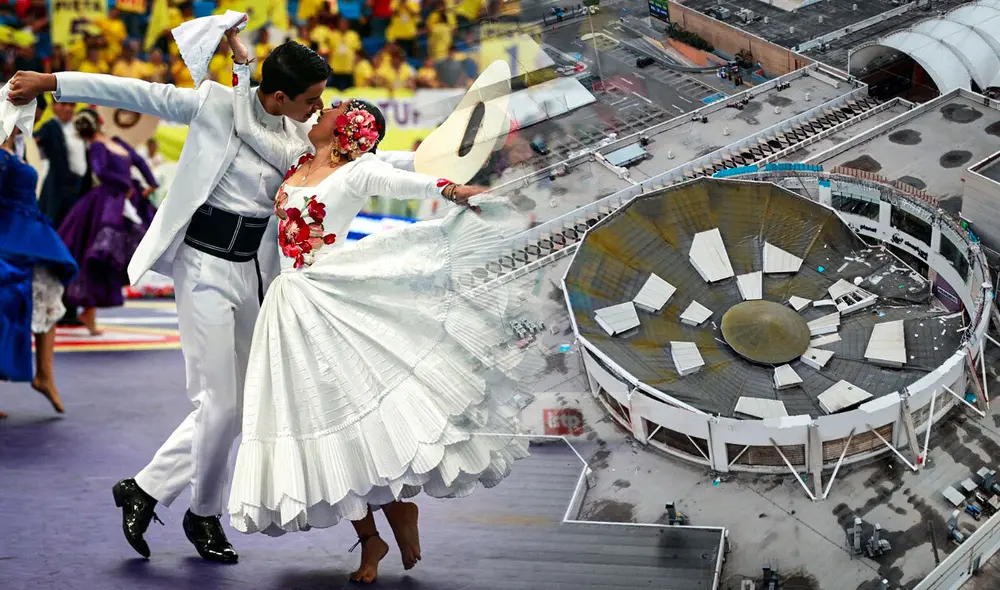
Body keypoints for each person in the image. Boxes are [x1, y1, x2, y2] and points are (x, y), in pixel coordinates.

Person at [6, 38, 422, 564]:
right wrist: (53, 82)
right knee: (218, 404)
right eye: (311, 98)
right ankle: (203, 514)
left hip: (254, 271)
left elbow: (373, 161)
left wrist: (444, 157)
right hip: (201, 266)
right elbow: (135, 93)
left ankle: (144, 488)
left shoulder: (302, 133)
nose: (319, 106)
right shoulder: (215, 104)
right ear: (275, 95)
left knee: (247, 404)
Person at [225, 33, 532, 584]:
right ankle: (370, 539)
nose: (322, 109)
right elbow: (247, 117)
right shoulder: (297, 157)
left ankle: (395, 516)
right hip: (288, 307)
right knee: (318, 417)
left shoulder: (355, 171)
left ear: (346, 133)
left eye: (334, 108)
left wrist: (459, 191)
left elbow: (405, 182)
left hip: (333, 301)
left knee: (355, 412)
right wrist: (242, 58)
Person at [56, 108, 158, 336]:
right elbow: (102, 172)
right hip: (106, 204)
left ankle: (89, 312)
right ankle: (88, 312)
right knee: (98, 256)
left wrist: (150, 183)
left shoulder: (114, 141)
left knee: (109, 255)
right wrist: (127, 186)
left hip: (121, 202)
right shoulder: (99, 146)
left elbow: (138, 160)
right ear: (99, 122)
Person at [0, 123, 78, 419]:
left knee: (49, 292)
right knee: (9, 302)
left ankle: (45, 375)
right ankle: (43, 376)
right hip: (10, 236)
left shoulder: (19, 144)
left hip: (30, 234)